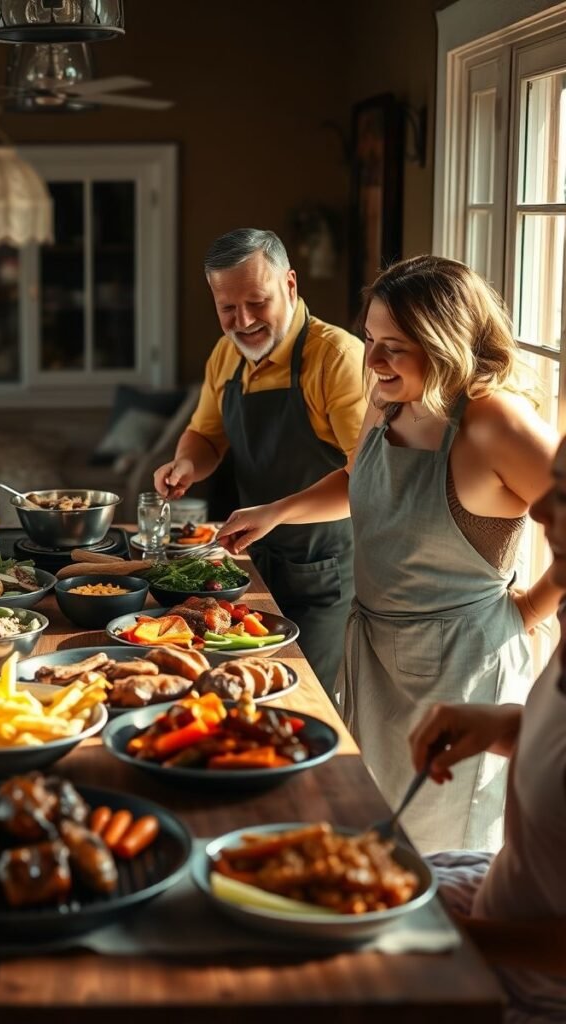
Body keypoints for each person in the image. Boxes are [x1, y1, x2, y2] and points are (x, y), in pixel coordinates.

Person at [220, 255, 560, 852]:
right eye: (371, 339)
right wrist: (275, 512)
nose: (371, 360)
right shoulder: (388, 399)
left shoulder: (493, 422)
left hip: (463, 678)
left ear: (444, 343)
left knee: (444, 853)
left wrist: (528, 611)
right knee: (373, 839)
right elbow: (358, 481)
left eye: (393, 347)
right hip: (375, 661)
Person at [154, 229, 367, 692]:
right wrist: (186, 464)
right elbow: (205, 436)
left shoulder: (336, 359)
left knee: (302, 695)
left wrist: (276, 513)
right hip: (250, 568)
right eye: (227, 308)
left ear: (290, 285)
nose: (243, 320)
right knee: (236, 691)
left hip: (324, 574)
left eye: (257, 302)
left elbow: (366, 481)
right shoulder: (226, 355)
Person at [409, 432, 566, 1021]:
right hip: (492, 895)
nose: (542, 509)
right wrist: (501, 725)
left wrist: (458, 938)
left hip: (530, 990)